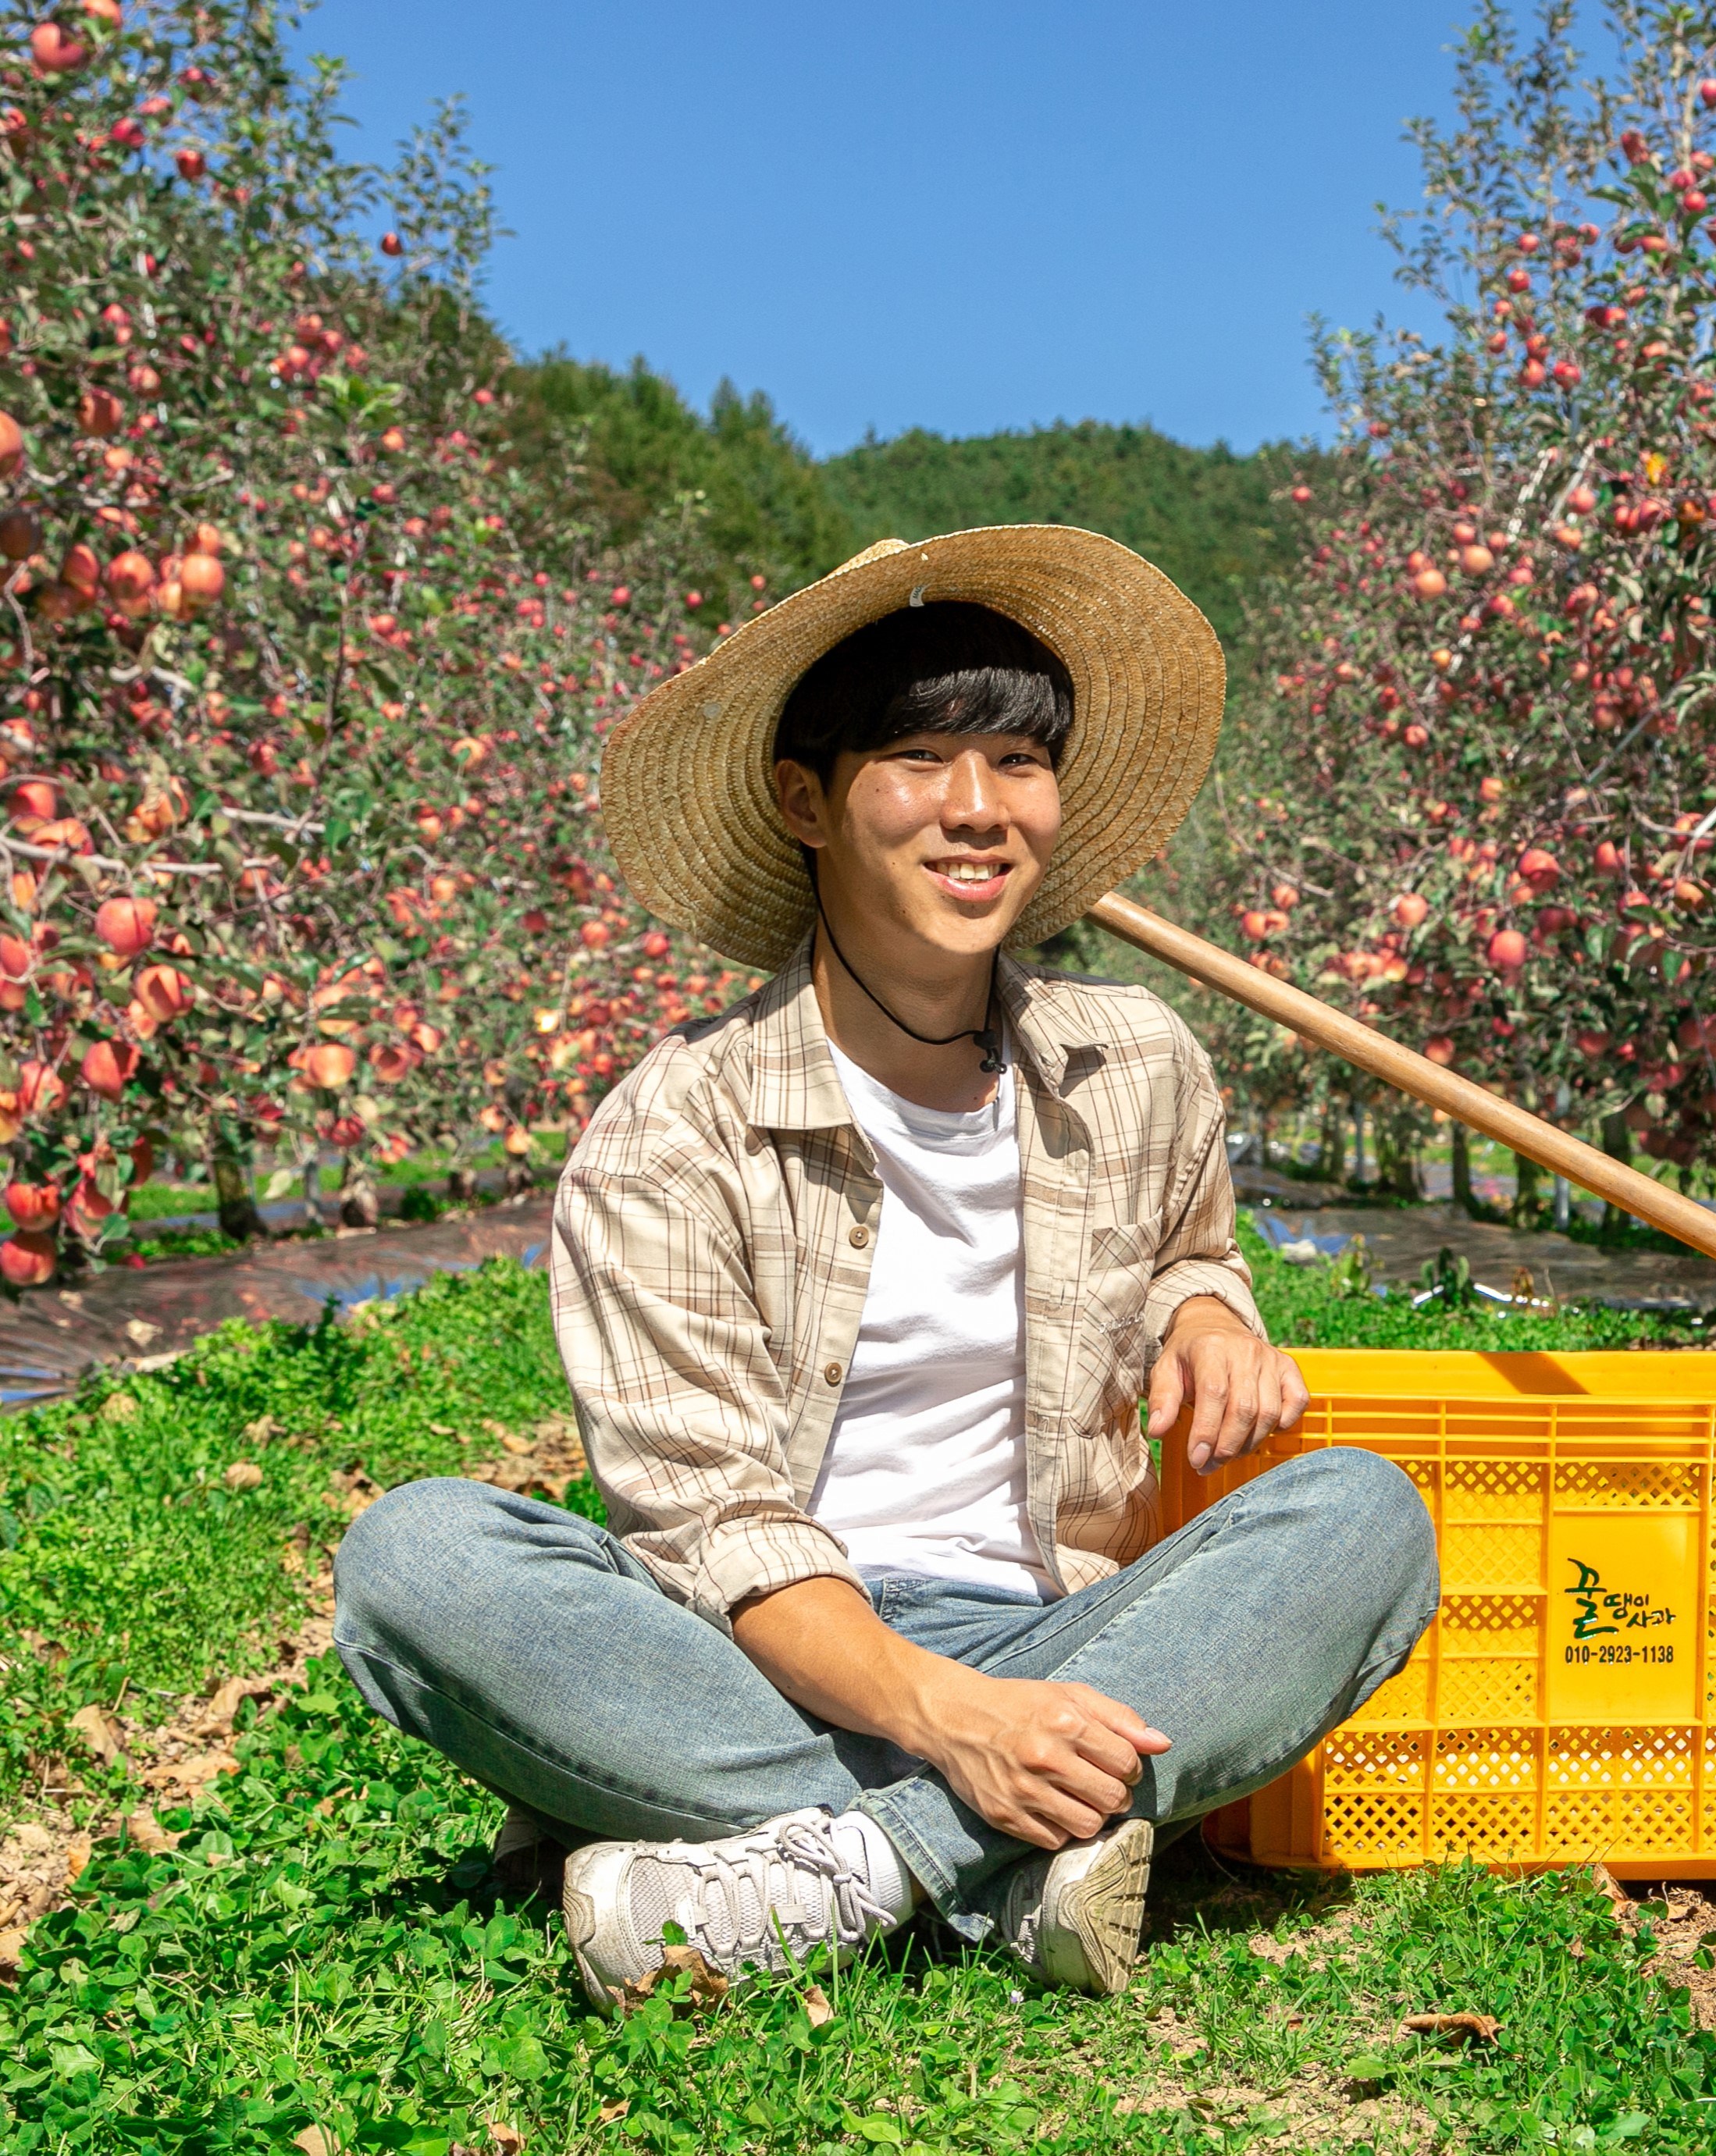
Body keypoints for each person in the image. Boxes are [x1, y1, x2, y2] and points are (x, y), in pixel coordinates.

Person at [332, 527, 1440, 2008]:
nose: (979, 810)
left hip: (1059, 1622)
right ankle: (1000, 1856)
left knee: (1361, 1517)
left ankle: (834, 1874)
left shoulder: (1138, 1065)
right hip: (758, 1645)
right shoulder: (677, 1129)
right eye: (919, 759)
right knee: (415, 1564)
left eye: (1019, 765)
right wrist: (947, 1714)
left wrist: (1205, 1306)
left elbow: (1190, 1242)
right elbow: (709, 1518)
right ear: (807, 798)